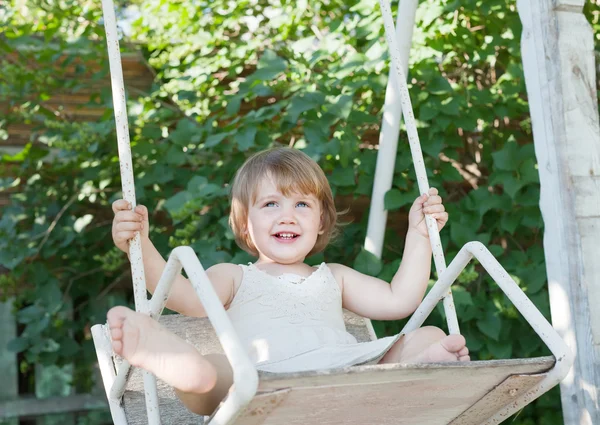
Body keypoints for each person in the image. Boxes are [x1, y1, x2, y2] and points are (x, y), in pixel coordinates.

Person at [108, 147, 469, 415]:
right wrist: (139, 247)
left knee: (430, 336)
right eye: (270, 205)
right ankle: (181, 364)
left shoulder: (335, 277)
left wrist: (420, 236)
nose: (287, 216)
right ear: (245, 224)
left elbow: (399, 300)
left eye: (301, 205)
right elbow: (183, 295)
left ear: (322, 222)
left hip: (345, 376)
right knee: (217, 371)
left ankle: (426, 366)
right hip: (262, 385)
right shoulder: (235, 276)